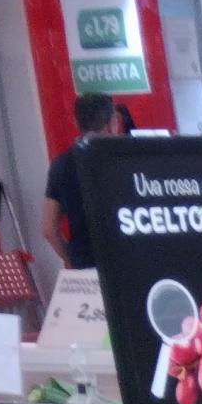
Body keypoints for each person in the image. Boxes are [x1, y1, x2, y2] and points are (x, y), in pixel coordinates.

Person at [41, 92, 129, 271]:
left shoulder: (62, 164)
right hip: (125, 264)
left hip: (85, 265)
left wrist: (75, 260)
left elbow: (49, 229)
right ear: (112, 122)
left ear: (77, 122)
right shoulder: (124, 160)